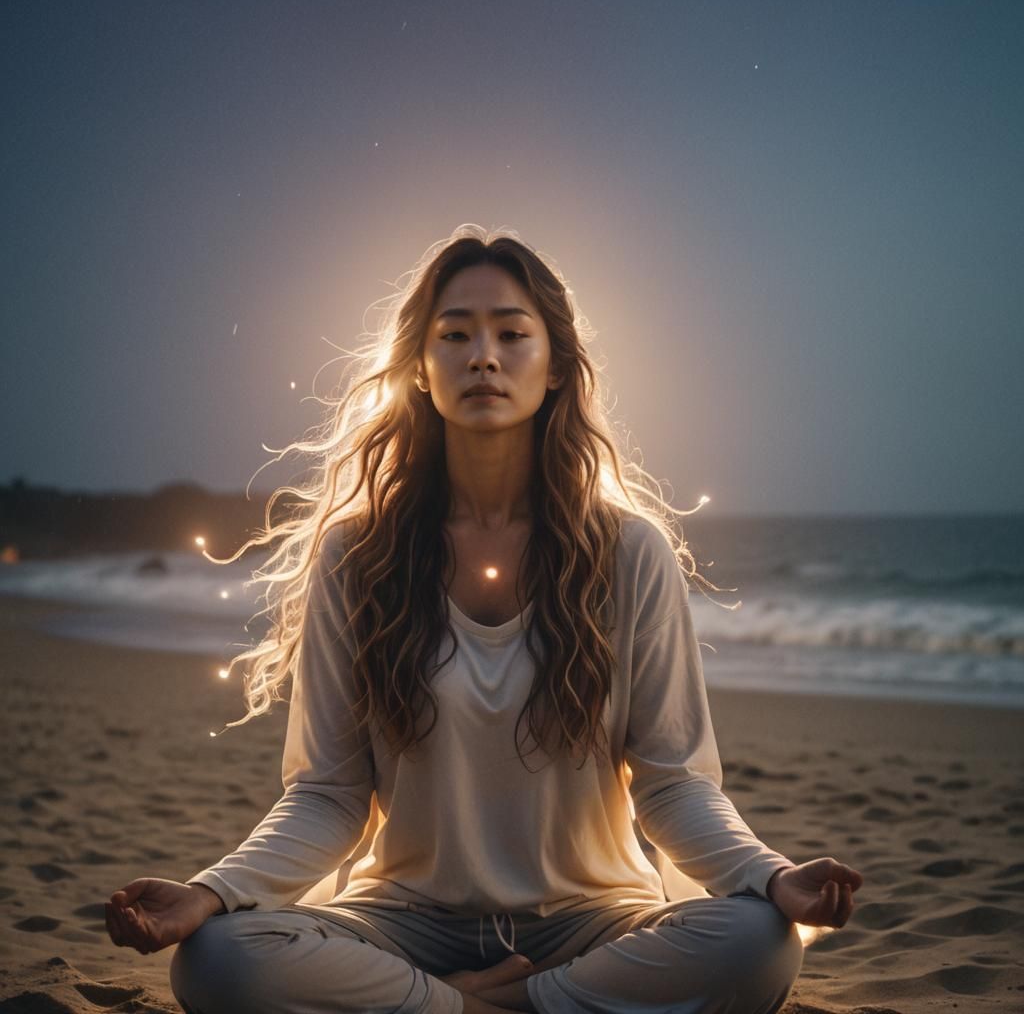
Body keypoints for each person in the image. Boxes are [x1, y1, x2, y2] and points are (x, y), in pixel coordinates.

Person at [105, 225, 863, 1014]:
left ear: (558, 366)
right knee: (219, 963)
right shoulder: (356, 555)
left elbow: (672, 786)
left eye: (512, 333)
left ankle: (469, 1005)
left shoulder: (629, 551)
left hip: (595, 919)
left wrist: (771, 875)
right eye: (455, 335)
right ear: (422, 370)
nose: (484, 356)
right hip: (400, 920)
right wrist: (211, 893)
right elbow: (328, 795)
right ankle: (493, 1004)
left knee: (758, 944)